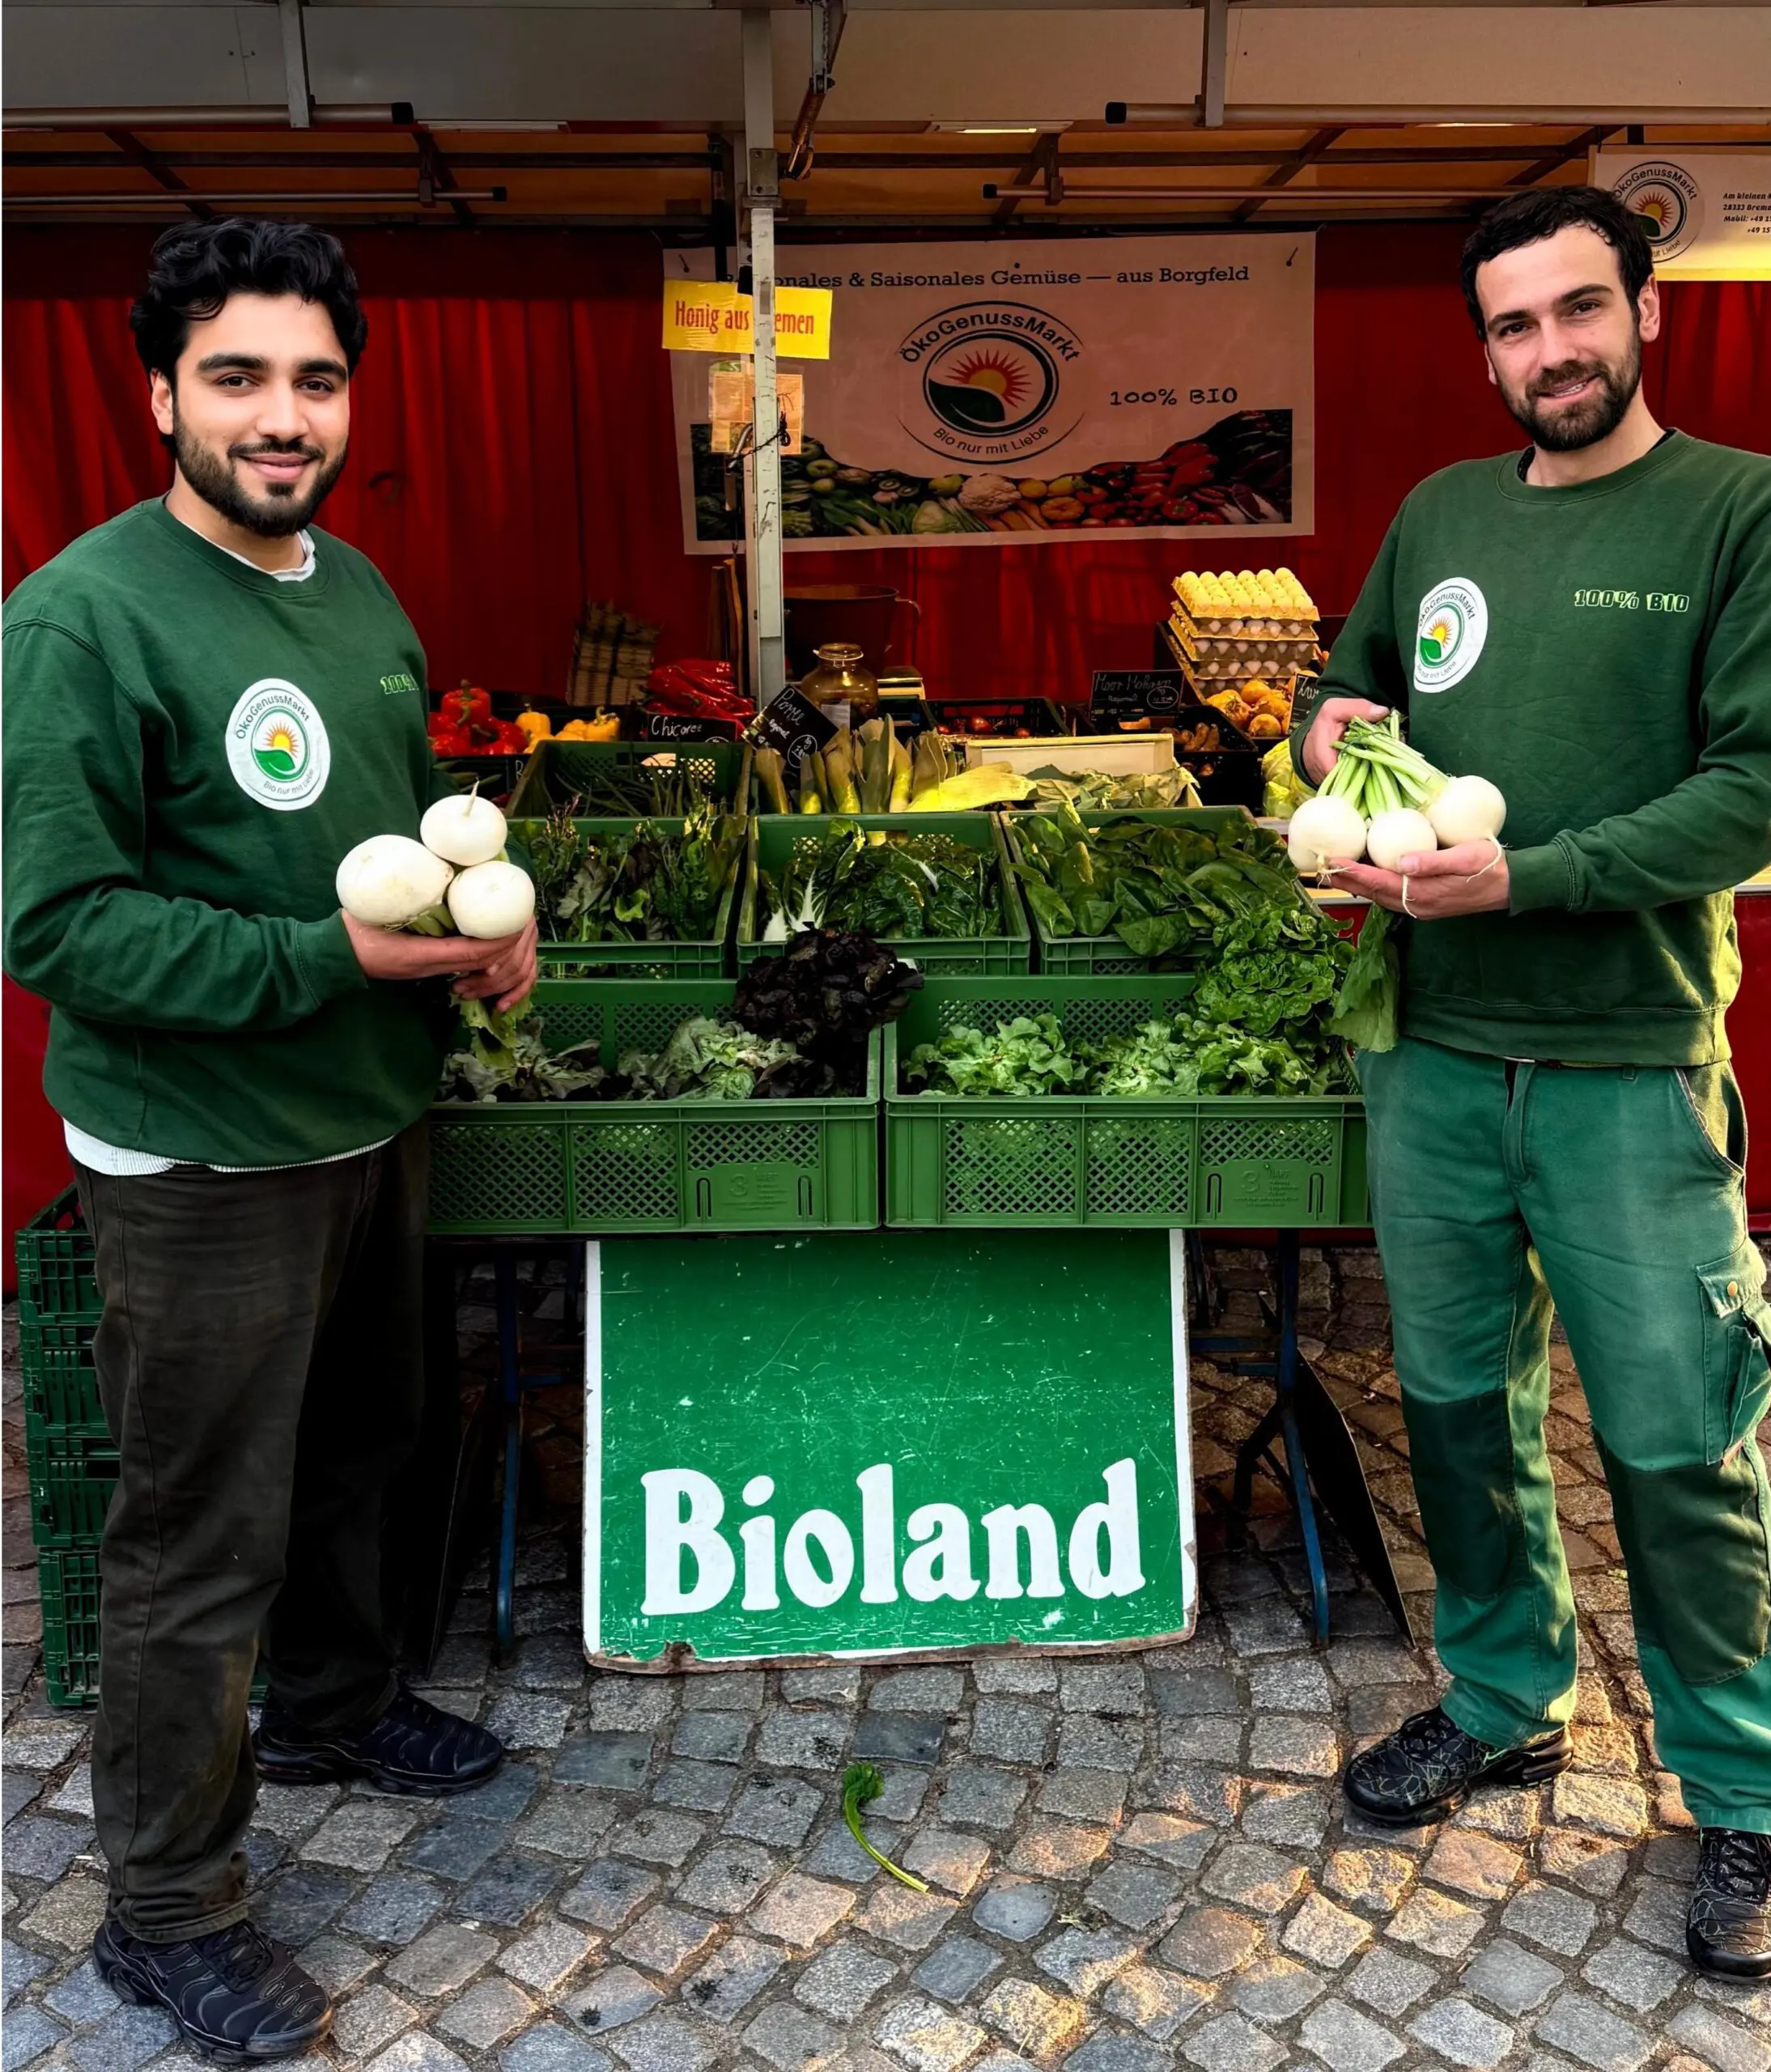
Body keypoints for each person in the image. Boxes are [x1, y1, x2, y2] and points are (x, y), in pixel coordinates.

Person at [2, 220, 537, 2059]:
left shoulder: (357, 593)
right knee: (192, 1535)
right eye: (235, 374)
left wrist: (478, 937)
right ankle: (164, 1905)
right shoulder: (84, 617)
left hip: (361, 1119)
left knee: (363, 1449)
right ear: (157, 394)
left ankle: (328, 1698)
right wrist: (335, 956)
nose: (280, 412)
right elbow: (58, 925)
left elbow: (400, 860)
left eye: (312, 377)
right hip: (200, 1159)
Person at [1293, 185, 1771, 1977]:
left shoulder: (1737, 510)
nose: (1547, 351)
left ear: (1639, 309)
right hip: (1428, 1051)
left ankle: (1739, 1782)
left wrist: (1531, 873)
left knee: (1672, 1434)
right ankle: (1502, 1694)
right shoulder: (1435, 515)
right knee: (1450, 1404)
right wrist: (1322, 729)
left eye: (1576, 310)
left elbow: (1752, 788)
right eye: (1510, 324)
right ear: (1480, 342)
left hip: (1625, 1057)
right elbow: (1342, 690)